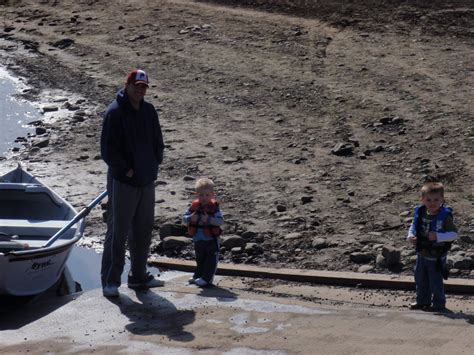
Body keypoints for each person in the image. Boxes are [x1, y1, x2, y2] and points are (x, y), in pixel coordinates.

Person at [100, 68, 165, 297]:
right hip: (123, 182)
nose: (140, 91)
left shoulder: (148, 110)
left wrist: (154, 164)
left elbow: (158, 140)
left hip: (146, 180)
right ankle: (110, 281)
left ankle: (138, 277)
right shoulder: (114, 112)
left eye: (143, 87)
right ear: (127, 85)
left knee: (143, 230)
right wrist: (125, 170)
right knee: (118, 231)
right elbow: (107, 151)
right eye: (136, 86)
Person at [407, 182, 458, 311]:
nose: (432, 203)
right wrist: (410, 236)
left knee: (435, 280)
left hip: (436, 256)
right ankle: (422, 301)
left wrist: (438, 236)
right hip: (422, 253)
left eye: (436, 199)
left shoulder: (444, 216)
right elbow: (414, 225)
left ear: (442, 199)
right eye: (428, 200)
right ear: (422, 200)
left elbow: (453, 234)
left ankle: (438, 304)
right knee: (420, 278)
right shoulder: (421, 212)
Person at [183, 178, 224, 287]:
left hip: (211, 240)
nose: (204, 198)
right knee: (200, 259)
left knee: (210, 260)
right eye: (201, 195)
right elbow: (184, 218)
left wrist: (209, 220)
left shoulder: (214, 208)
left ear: (212, 195)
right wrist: (191, 218)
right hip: (198, 239)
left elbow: (220, 221)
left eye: (207, 195)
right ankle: (198, 275)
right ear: (197, 195)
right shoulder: (194, 206)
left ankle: (207, 279)